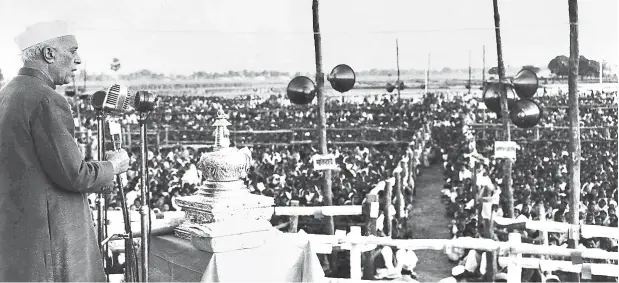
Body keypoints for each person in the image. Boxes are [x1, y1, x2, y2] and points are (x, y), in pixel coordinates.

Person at [0, 21, 130, 282]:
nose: (78, 60)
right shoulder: (47, 99)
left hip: (20, 237)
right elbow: (75, 175)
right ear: (49, 54)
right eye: (72, 51)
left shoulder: (8, 93)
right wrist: (113, 166)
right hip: (52, 241)